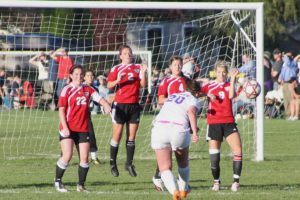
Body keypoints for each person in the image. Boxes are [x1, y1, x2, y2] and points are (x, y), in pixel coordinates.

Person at [54, 65, 111, 192]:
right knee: (67, 155)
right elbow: (61, 110)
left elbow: (99, 98)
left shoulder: (88, 89)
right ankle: (58, 182)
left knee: (84, 158)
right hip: (68, 128)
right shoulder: (66, 89)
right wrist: (65, 127)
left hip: (83, 128)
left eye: (81, 74)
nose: (79, 76)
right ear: (70, 75)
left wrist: (106, 104)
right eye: (76, 74)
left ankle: (81, 185)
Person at [151, 78, 200, 200]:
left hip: (159, 128)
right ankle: (183, 191)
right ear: (197, 93)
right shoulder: (193, 99)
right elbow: (191, 111)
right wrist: (194, 131)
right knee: (182, 163)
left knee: (164, 168)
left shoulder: (173, 96)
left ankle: (175, 193)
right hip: (178, 129)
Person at [200, 61, 243, 192]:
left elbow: (231, 96)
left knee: (238, 152)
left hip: (229, 122)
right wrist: (208, 95)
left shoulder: (230, 84)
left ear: (227, 73)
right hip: (213, 123)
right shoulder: (209, 85)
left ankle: (236, 182)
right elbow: (198, 93)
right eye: (219, 72)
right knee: (214, 157)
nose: (222, 74)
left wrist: (234, 78)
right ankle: (216, 182)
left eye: (224, 72)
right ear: (215, 72)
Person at [107, 44, 147, 177]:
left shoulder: (138, 67)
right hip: (120, 105)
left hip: (134, 105)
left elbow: (143, 85)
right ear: (120, 56)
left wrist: (144, 73)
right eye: (125, 53)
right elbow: (109, 85)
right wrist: (117, 81)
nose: (128, 55)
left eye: (129, 53)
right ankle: (113, 163)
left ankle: (129, 164)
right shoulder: (116, 68)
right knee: (117, 134)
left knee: (132, 136)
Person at [152, 55, 187, 191]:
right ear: (170, 67)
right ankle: (159, 176)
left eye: (179, 64)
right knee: (167, 150)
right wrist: (174, 99)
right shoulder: (166, 81)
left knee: (179, 151)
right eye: (175, 65)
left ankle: (177, 181)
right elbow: (160, 99)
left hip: (183, 119)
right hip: (168, 120)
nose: (177, 67)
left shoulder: (187, 81)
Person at [83, 70, 102, 165]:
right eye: (88, 75)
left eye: (91, 76)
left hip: (86, 116)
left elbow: (96, 102)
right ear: (84, 77)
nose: (90, 77)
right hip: (74, 116)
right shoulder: (80, 87)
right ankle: (63, 155)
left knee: (91, 135)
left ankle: (94, 157)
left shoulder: (95, 89)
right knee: (70, 136)